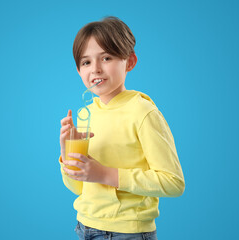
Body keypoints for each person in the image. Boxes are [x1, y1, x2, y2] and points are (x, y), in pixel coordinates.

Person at [58, 16, 185, 240]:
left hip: (127, 233)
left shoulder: (143, 112)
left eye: (106, 58)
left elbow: (173, 183)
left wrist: (106, 174)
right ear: (79, 70)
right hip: (85, 226)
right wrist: (68, 155)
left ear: (130, 61)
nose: (95, 69)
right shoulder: (86, 114)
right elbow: (78, 188)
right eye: (86, 62)